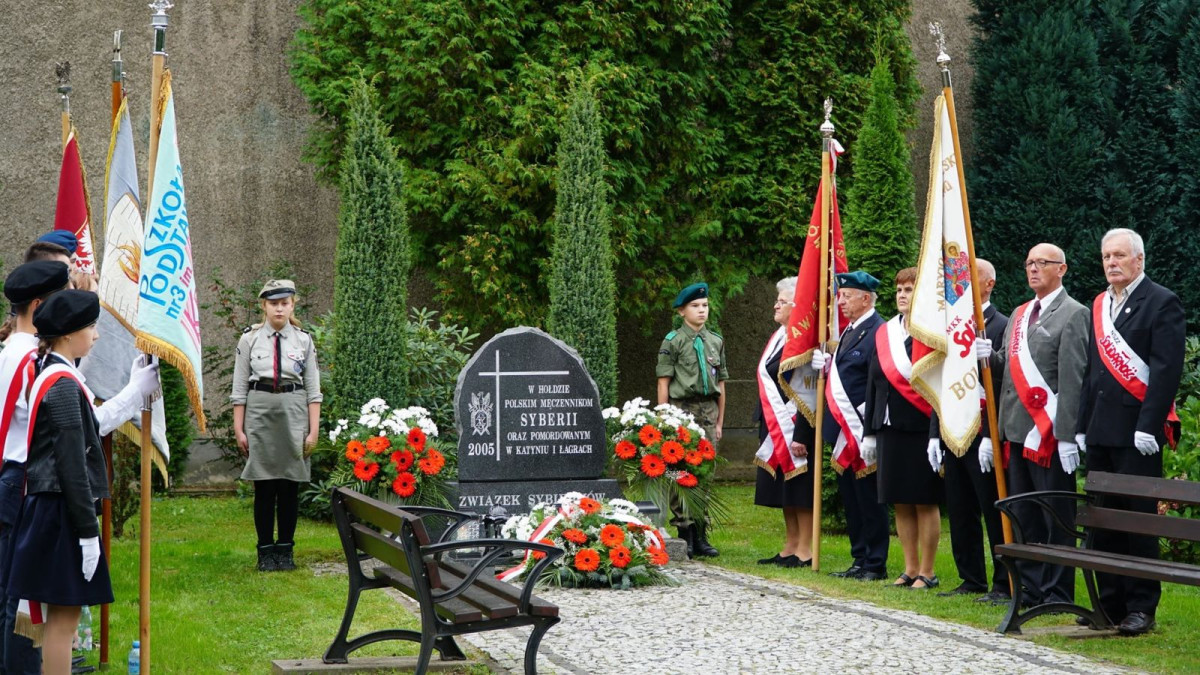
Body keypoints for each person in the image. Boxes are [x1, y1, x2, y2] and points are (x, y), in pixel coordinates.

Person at [1075, 228, 1185, 636]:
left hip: (1137, 435)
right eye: (1106, 256)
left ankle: (1141, 607)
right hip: (1100, 430)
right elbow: (1092, 371)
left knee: (1138, 523)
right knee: (1103, 522)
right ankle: (1108, 604)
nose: (1111, 263)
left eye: (1119, 255)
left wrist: (1149, 425)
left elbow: (1166, 370)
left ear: (1139, 259)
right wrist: (1082, 424)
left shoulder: (1161, 301)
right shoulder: (1100, 304)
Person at [6, 290, 112, 674]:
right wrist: (87, 532)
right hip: (61, 510)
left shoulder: (51, 371)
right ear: (68, 334)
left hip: (51, 507)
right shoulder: (63, 384)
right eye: (91, 327)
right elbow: (72, 466)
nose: (96, 335)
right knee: (63, 622)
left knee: (60, 620)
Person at [986, 243, 1089, 610]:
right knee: (1024, 513)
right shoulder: (1020, 313)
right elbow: (1007, 369)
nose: (1033, 269)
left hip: (1049, 436)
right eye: (1029, 262)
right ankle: (1029, 587)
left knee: (1055, 516)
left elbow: (1073, 378)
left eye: (1042, 263)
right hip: (1017, 431)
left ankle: (1057, 591)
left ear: (1061, 269)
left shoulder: (1074, 313)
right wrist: (988, 356)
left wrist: (1067, 434)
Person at [0, 262, 70, 674]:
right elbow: (67, 426)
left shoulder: (12, 349)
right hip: (24, 480)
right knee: (24, 598)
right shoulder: (31, 359)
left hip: (11, 477)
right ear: (41, 306)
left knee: (11, 591)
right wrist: (134, 395)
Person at [928, 259, 1012, 602]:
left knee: (992, 508)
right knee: (960, 508)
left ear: (989, 284)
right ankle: (970, 577)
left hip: (983, 431)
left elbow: (1003, 384)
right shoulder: (951, 325)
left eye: (970, 277)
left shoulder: (1003, 325)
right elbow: (941, 382)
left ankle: (1004, 581)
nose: (961, 282)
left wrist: (991, 435)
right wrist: (934, 433)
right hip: (953, 426)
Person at [231, 280, 322, 572]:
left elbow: (313, 390)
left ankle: (285, 550)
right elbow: (239, 389)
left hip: (294, 413)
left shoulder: (304, 340)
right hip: (259, 413)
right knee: (264, 486)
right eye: (273, 303)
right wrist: (238, 428)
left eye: (284, 303)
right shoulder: (249, 339)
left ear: (293, 305)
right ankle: (265, 552)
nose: (279, 309)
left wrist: (313, 431)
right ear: (264, 306)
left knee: (289, 486)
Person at [862, 267, 941, 589]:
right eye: (899, 290)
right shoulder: (886, 332)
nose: (902, 295)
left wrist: (936, 434)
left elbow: (937, 386)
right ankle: (909, 568)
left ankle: (928, 571)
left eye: (909, 289)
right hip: (888, 427)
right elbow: (873, 383)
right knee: (899, 500)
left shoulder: (931, 331)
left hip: (920, 427)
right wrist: (869, 432)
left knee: (924, 499)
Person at [812, 270, 889, 581]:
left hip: (862, 429)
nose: (840, 302)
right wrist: (828, 366)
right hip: (845, 431)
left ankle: (875, 563)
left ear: (865, 298)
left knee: (869, 499)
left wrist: (869, 431)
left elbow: (878, 383)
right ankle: (859, 558)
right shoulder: (849, 331)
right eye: (840, 296)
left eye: (846, 296)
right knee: (853, 500)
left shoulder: (878, 330)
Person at [656, 282, 727, 558]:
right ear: (682, 311)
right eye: (695, 306)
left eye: (705, 305)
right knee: (679, 471)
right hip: (681, 411)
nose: (701, 310)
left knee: (705, 473)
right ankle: (684, 531)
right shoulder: (673, 341)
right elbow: (664, 382)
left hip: (708, 411)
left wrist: (719, 423)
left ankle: (700, 533)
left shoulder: (715, 341)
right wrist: (664, 419)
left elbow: (721, 384)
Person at [753, 277, 814, 568]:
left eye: (782, 301)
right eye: (777, 300)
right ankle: (790, 545)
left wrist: (801, 433)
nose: (775, 306)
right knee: (784, 489)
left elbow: (807, 392)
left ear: (797, 306)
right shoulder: (779, 336)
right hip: (773, 422)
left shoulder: (804, 341)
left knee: (799, 488)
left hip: (796, 423)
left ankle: (806, 549)